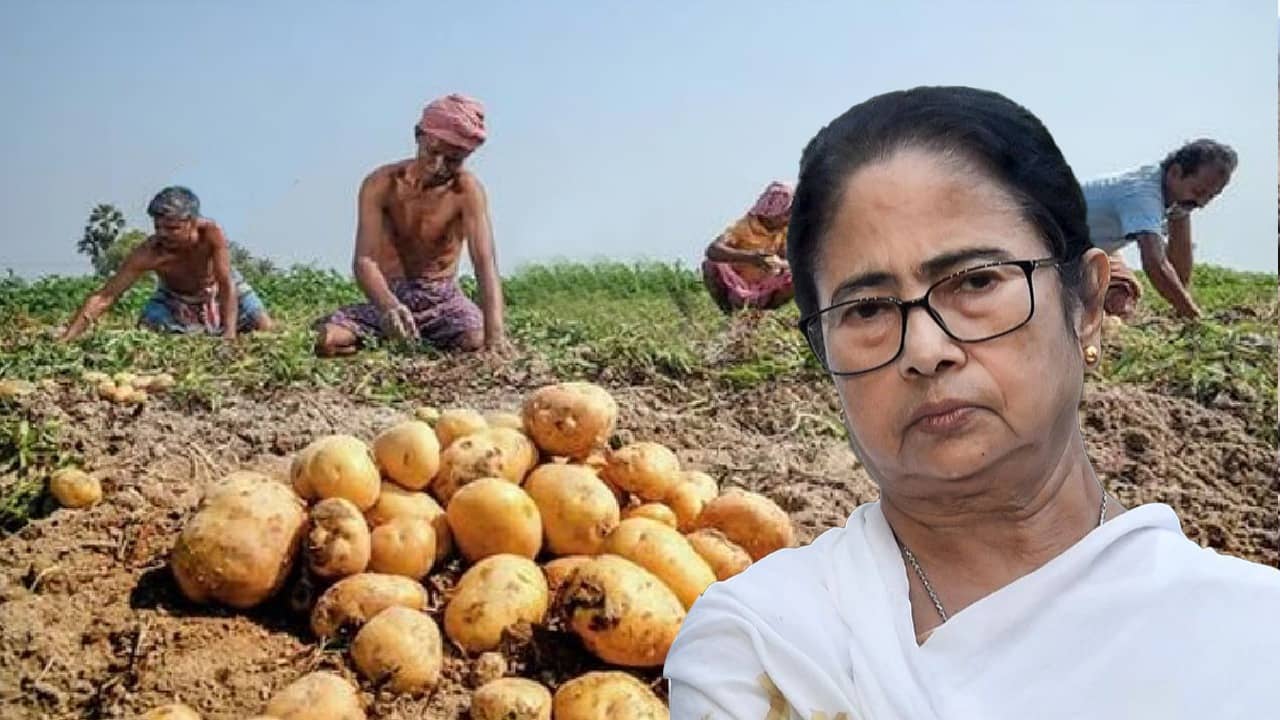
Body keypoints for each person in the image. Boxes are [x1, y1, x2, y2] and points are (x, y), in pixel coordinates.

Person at [664, 87, 1280, 719]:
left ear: (1088, 306)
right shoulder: (766, 645)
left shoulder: (1256, 639)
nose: (926, 350)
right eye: (867, 309)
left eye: (977, 281)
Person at [314, 93, 506, 356]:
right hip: (390, 295)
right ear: (419, 136)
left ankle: (422, 341)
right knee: (329, 342)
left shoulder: (467, 191)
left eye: (453, 160)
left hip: (445, 302)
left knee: (476, 342)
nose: (438, 167)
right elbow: (365, 261)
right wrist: (388, 306)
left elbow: (485, 264)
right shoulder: (381, 184)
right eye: (433, 152)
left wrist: (495, 337)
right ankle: (384, 336)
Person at [60, 186, 272, 342]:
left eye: (172, 228)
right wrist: (66, 340)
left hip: (217, 287)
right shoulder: (149, 253)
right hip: (176, 297)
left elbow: (226, 283)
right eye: (158, 227)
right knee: (149, 329)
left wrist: (229, 336)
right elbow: (105, 297)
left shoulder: (210, 234)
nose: (163, 234)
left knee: (266, 329)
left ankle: (223, 331)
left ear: (192, 222)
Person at [1082, 139, 1236, 320]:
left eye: (1210, 196)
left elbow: (1180, 252)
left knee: (1121, 296)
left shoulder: (1177, 196)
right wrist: (1194, 317)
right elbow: (1155, 263)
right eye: (1198, 192)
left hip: (1093, 250)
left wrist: (1181, 307)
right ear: (1175, 172)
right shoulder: (1142, 195)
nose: (1201, 203)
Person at [701, 181, 795, 312]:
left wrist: (779, 264)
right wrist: (752, 258)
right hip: (736, 286)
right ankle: (728, 312)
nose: (790, 218)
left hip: (765, 287)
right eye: (786, 213)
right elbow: (713, 250)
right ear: (773, 210)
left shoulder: (784, 231)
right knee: (711, 265)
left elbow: (788, 260)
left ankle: (765, 313)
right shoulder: (743, 226)